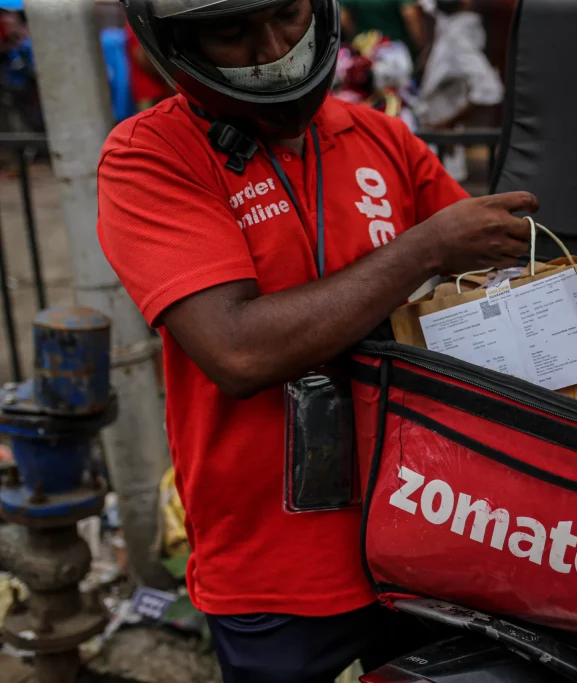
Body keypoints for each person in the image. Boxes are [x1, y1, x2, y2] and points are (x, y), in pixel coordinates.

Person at [98, 0, 538, 680]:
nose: (272, 49)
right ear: (175, 40)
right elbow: (237, 349)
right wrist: (423, 252)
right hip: (272, 572)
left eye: (289, 15)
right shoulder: (149, 157)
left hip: (430, 533)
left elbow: (487, 279)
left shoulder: (382, 138)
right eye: (231, 32)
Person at [416, 0, 503, 181]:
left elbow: (489, 89)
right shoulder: (445, 22)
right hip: (432, 140)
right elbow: (431, 7)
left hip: (444, 143)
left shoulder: (459, 36)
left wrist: (449, 123)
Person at [340, 0, 425, 61]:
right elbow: (411, 15)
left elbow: (344, 17)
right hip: (397, 54)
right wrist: (422, 48)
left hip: (364, 53)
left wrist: (355, 40)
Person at [124, 23, 175, 111]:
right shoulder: (137, 24)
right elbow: (140, 56)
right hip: (148, 88)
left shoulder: (138, 24)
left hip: (156, 88)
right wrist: (163, 75)